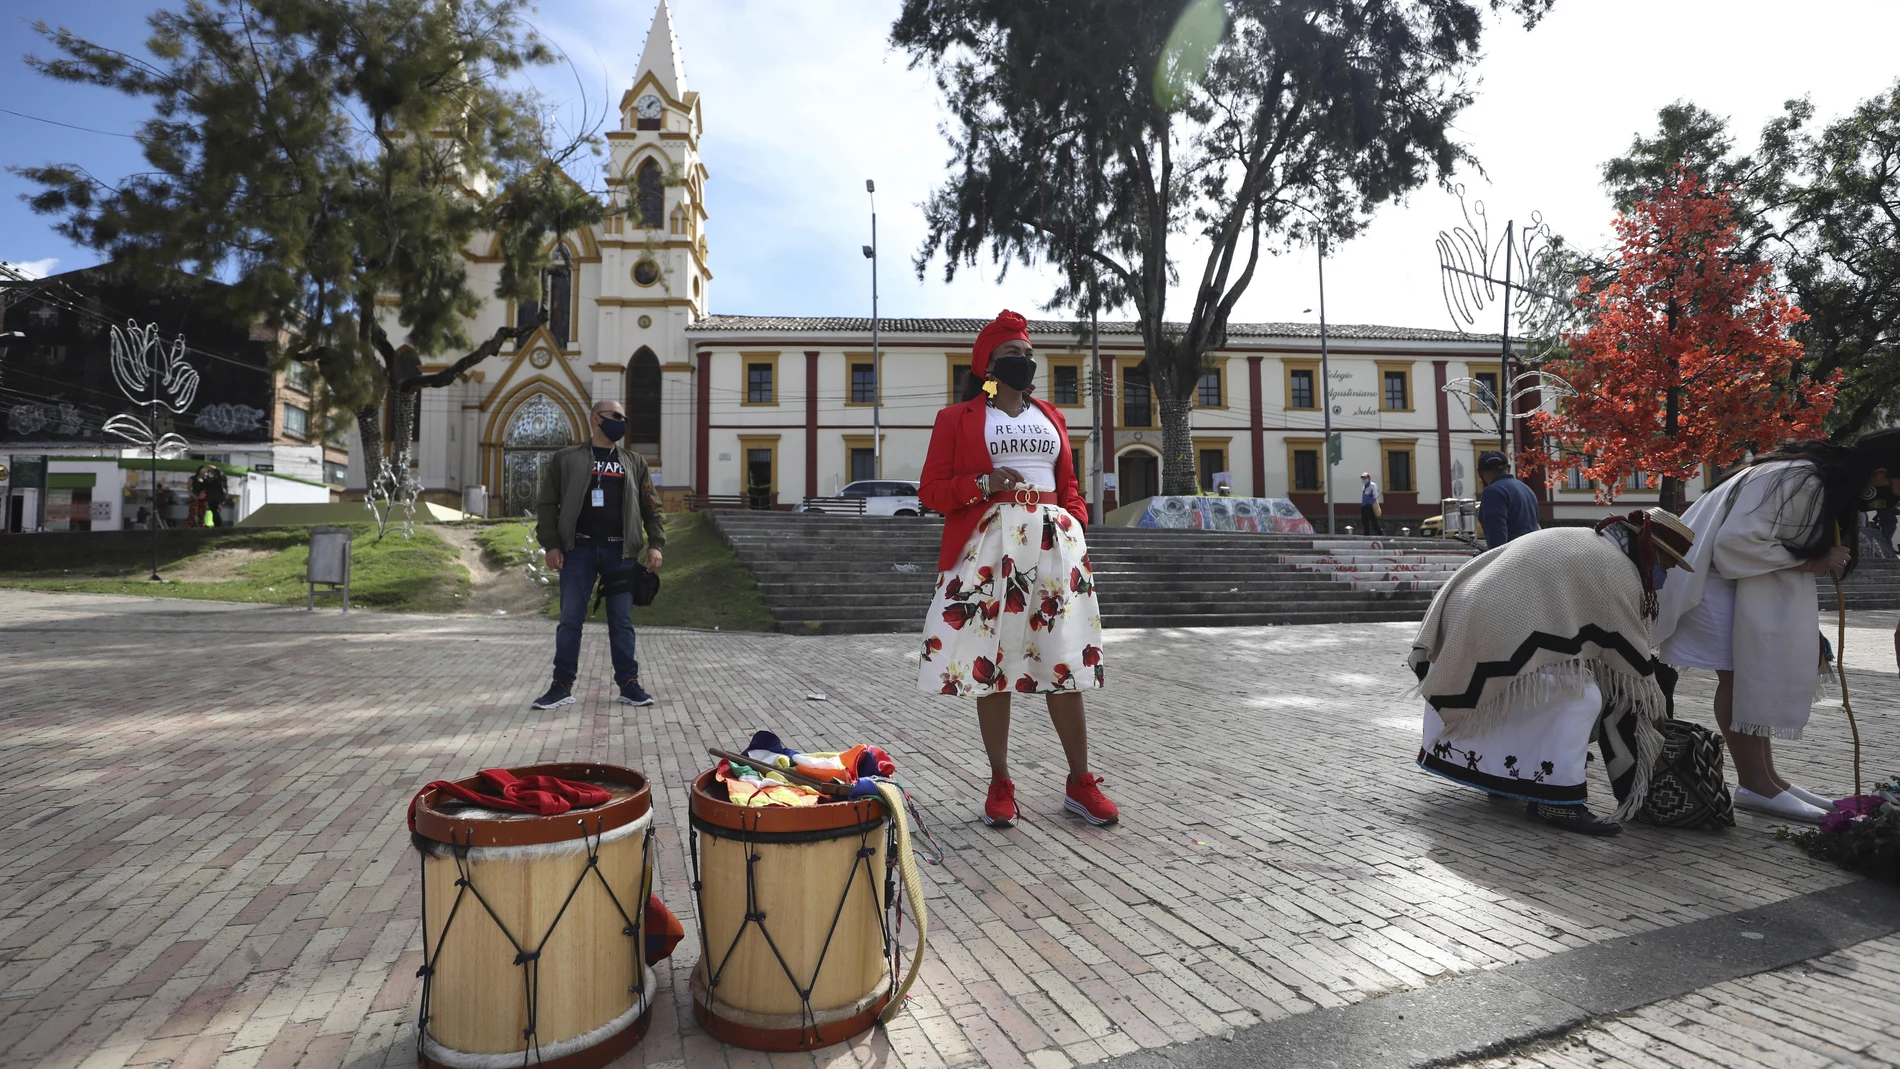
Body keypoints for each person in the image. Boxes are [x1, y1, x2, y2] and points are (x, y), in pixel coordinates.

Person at [916, 310, 1118, 828]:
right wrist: (981, 485)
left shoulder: (1051, 415)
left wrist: (1075, 522)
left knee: (1063, 661)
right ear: (988, 364)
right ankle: (1001, 781)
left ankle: (1080, 780)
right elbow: (932, 491)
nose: (1025, 363)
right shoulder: (957, 419)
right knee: (995, 665)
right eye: (1012, 356)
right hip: (990, 546)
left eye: (1029, 355)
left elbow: (1067, 482)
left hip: (1052, 545)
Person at [1653, 430, 1900, 822]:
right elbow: (1737, 544)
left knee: (1747, 675)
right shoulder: (1806, 479)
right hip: (1716, 580)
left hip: (1731, 579)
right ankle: (1756, 784)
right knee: (1737, 677)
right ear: (1881, 474)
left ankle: (1768, 780)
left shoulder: (1808, 474)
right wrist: (1813, 562)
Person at [1410, 508, 1697, 835]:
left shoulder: (1589, 540)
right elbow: (1630, 670)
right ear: (1651, 550)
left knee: (1569, 688)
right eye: (1668, 563)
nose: (1666, 572)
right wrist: (1654, 708)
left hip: (1466, 628)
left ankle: (1507, 777)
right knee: (1583, 699)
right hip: (1489, 638)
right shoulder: (1618, 569)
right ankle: (1557, 802)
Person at [530, 400, 666, 711]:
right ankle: (561, 685)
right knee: (570, 620)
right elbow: (547, 504)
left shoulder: (634, 462)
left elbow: (651, 506)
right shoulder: (566, 459)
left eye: (624, 417)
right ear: (596, 419)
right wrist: (551, 544)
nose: (622, 422)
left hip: (621, 553)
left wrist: (655, 543)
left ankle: (629, 684)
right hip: (578, 551)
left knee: (621, 621)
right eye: (616, 416)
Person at [1477, 451, 1540, 547]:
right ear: (1509, 468)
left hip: (1513, 555)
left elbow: (1496, 536)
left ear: (1480, 473)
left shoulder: (1493, 492)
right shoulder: (1527, 489)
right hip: (1532, 551)